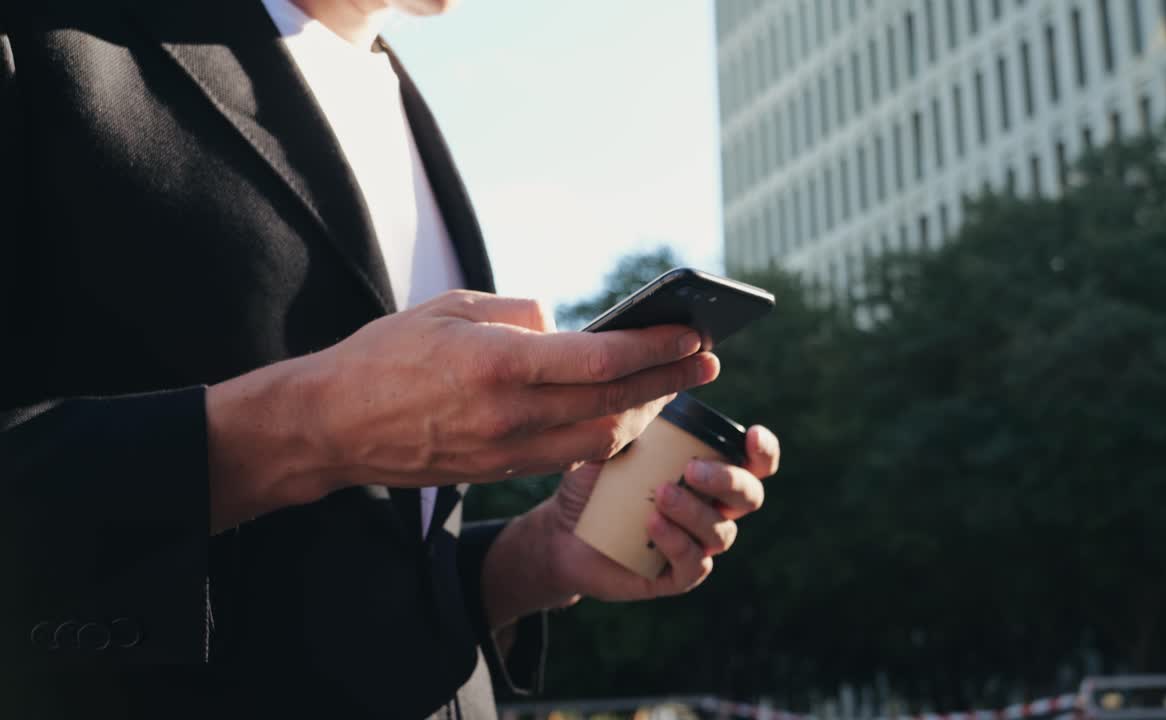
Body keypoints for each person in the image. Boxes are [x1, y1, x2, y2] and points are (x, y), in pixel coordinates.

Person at [0, 0, 781, 717]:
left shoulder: (402, 99)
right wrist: (311, 429)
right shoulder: (44, 32)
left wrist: (536, 558)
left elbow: (344, 573)